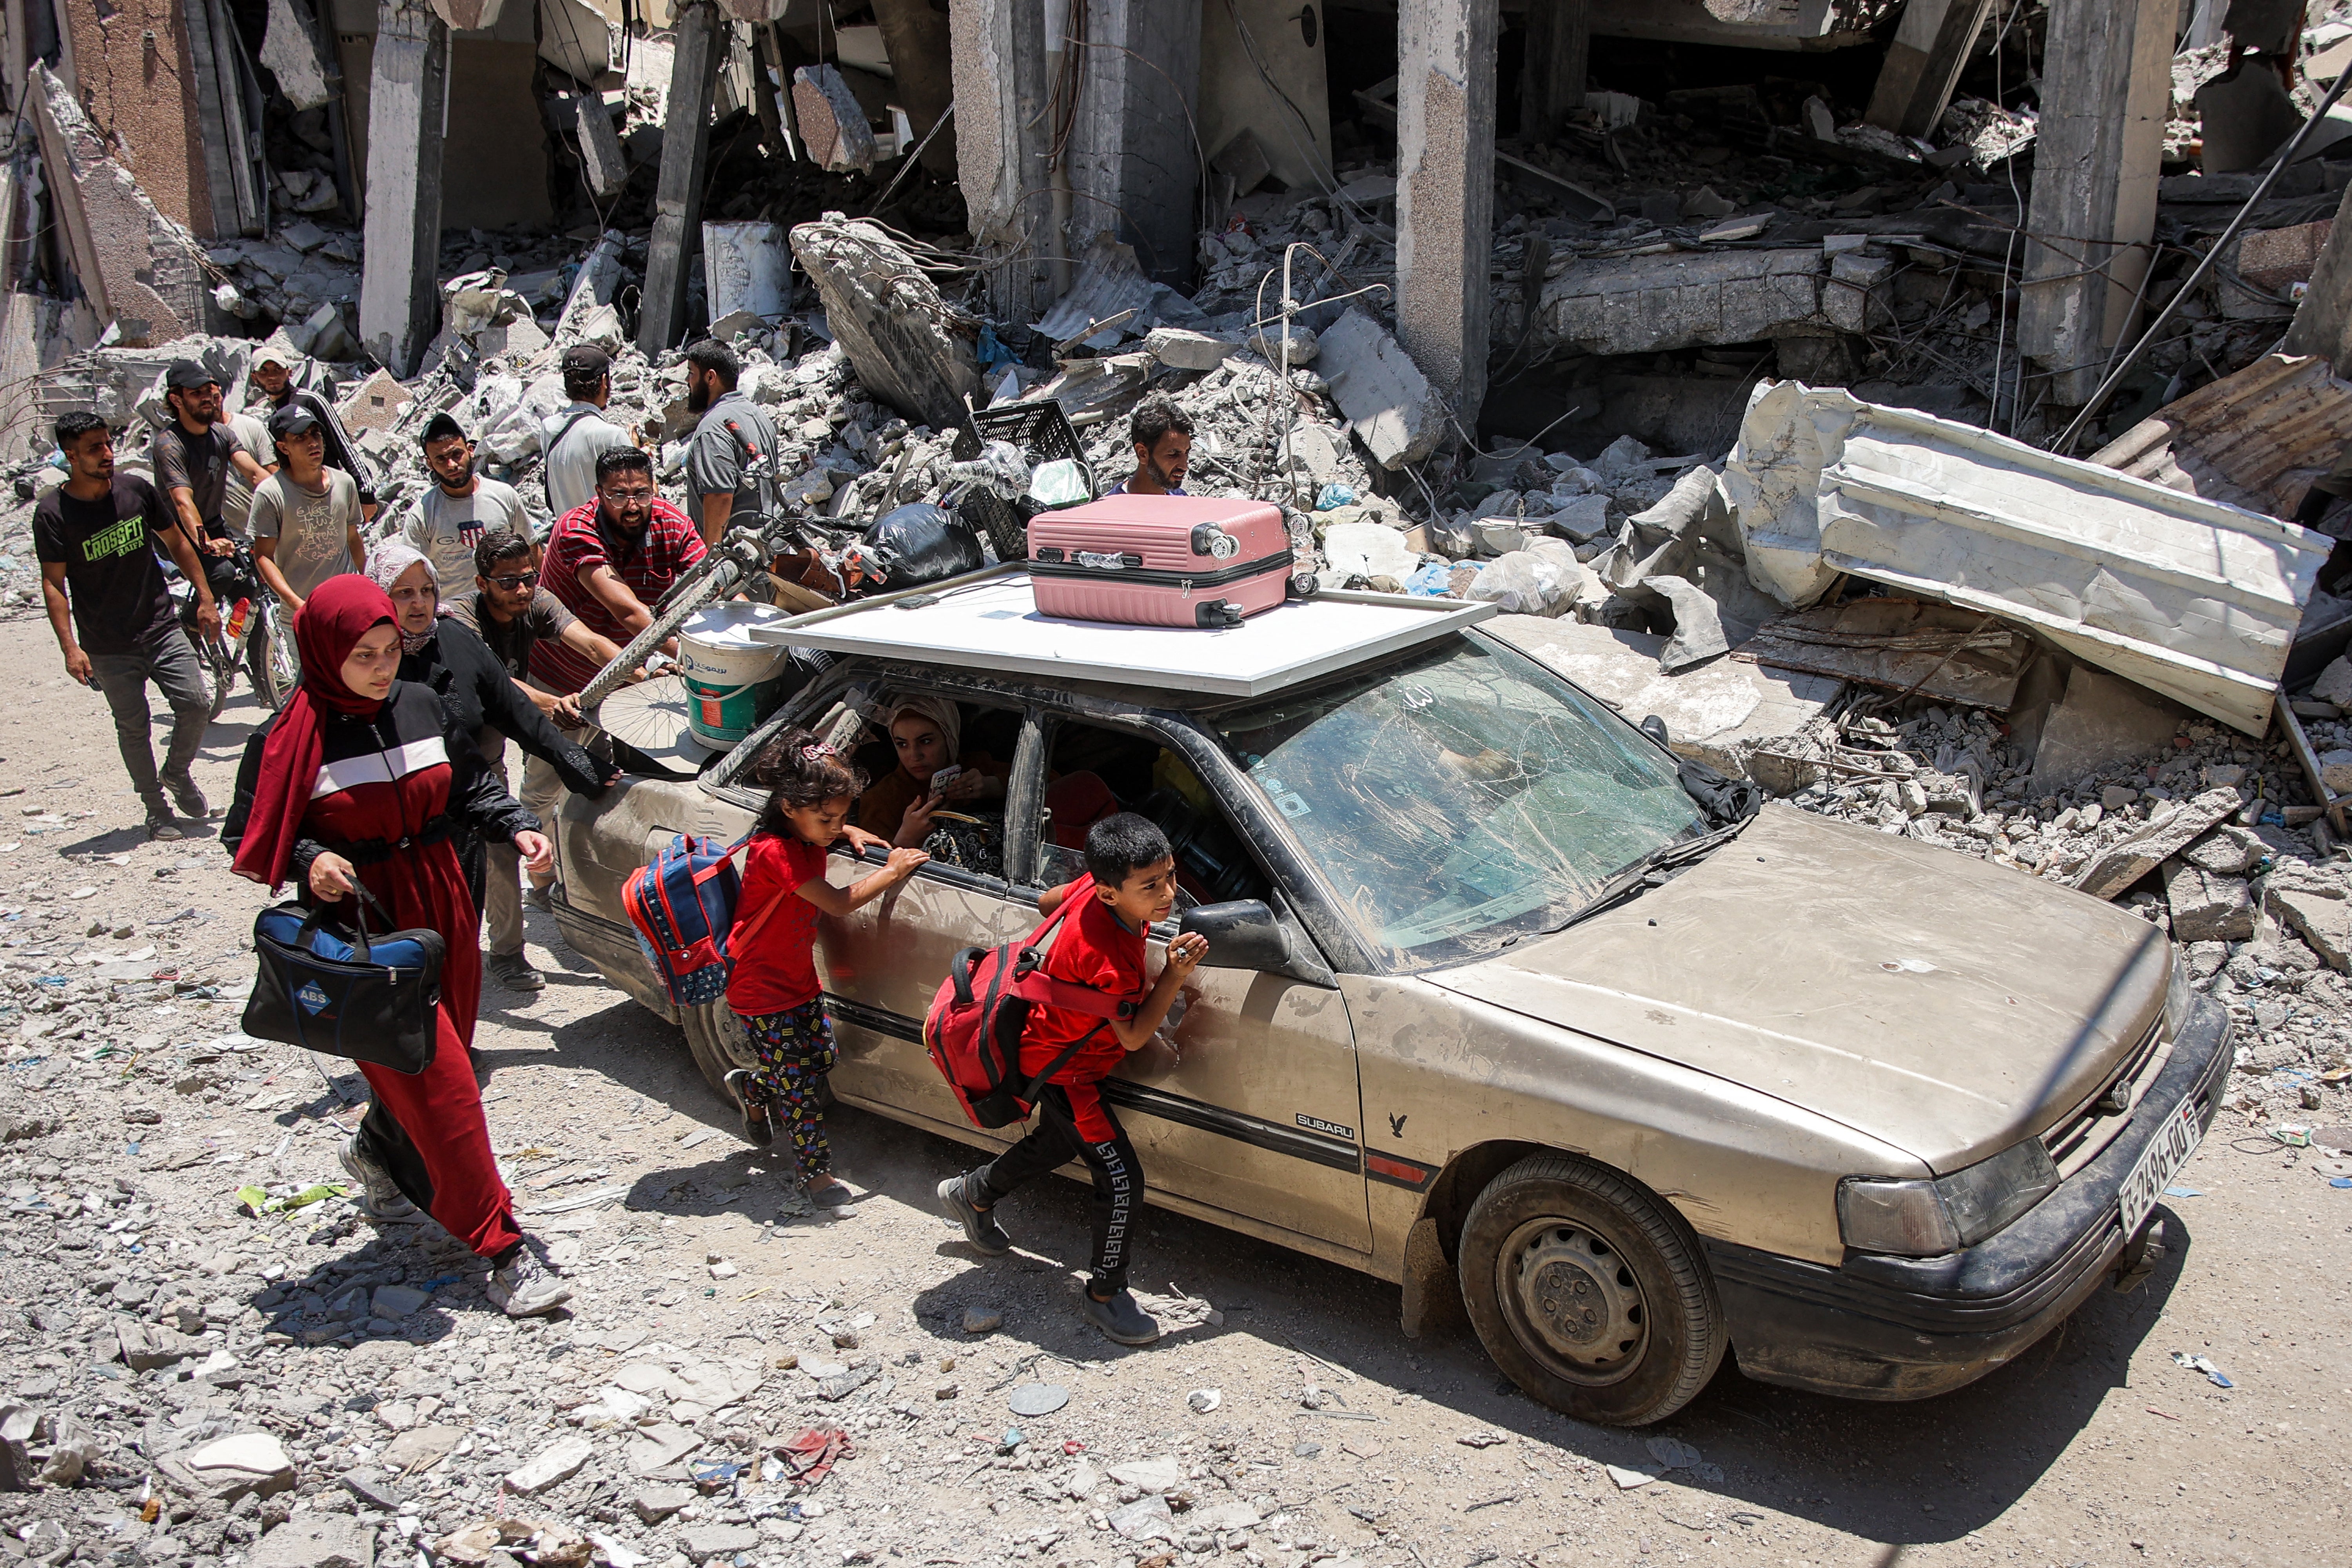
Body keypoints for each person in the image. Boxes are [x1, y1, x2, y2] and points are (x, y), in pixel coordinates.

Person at [221, 576, 570, 1317]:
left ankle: (378, 1153)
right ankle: (504, 1250)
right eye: (365, 656)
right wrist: (306, 860)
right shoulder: (290, 736)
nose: (383, 668)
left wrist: (514, 824)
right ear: (322, 654)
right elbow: (248, 834)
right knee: (447, 1084)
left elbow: (470, 785)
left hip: (446, 908)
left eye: (390, 651)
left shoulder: (418, 704)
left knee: (422, 1070)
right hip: (368, 929)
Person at [935, 813, 1210, 1346]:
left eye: (1171, 876)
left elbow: (1047, 903)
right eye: (1150, 886)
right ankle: (1105, 1295)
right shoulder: (1109, 962)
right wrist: (1175, 975)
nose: (1168, 895)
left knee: (1056, 1144)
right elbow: (1132, 1036)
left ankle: (973, 1195)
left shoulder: (1091, 886)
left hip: (1052, 1053)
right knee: (1122, 1179)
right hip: (1067, 1072)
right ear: (1109, 893)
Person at [369, 541, 615, 992]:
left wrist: (576, 763)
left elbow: (512, 709)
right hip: (399, 809)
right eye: (404, 593)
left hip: (475, 789)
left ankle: (502, 955)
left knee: (494, 867)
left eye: (426, 590)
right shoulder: (365, 657)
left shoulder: (454, 641)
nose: (419, 603)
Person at [723, 730, 927, 1205]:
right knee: (800, 1092)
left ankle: (754, 1088)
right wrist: (892, 870)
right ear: (790, 808)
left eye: (842, 816)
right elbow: (837, 903)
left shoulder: (806, 833)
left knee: (818, 1063)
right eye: (828, 818)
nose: (836, 826)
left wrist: (848, 831)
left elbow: (826, 837)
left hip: (798, 981)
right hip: (761, 987)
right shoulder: (774, 852)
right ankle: (815, 1176)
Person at [523, 447, 705, 904]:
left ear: (655, 489)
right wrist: (688, 654)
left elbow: (705, 583)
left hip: (628, 680)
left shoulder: (673, 525)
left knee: (608, 781)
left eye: (641, 493)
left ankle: (595, 877)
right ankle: (540, 873)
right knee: (545, 783)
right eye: (618, 494)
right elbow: (623, 608)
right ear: (598, 494)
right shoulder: (576, 528)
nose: (631, 505)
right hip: (565, 676)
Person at [36, 413, 221, 840]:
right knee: (133, 726)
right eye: (95, 448)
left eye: (108, 443)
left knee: (195, 703)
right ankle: (156, 808)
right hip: (107, 644)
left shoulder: (136, 490)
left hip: (160, 625)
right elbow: (53, 583)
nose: (107, 453)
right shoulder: (53, 513)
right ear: (71, 455)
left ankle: (176, 773)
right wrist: (70, 647)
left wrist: (206, 597)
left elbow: (176, 541)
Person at [150, 359, 270, 604]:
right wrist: (206, 542)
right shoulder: (169, 445)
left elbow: (256, 474)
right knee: (222, 574)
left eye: (209, 392)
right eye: (196, 394)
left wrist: (295, 501)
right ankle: (192, 626)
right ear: (177, 400)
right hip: (178, 533)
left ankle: (250, 642)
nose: (206, 398)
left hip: (215, 524)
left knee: (250, 591)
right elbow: (183, 502)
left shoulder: (222, 434)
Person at [250, 405, 366, 616]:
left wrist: (367, 582)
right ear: (284, 448)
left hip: (350, 604)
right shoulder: (271, 493)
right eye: (300, 438)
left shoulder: (344, 483)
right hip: (305, 611)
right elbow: (263, 557)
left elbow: (353, 539)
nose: (313, 443)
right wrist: (296, 604)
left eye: (316, 435)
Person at [855, 696, 1009, 848]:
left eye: (926, 741)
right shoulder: (882, 799)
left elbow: (1029, 785)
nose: (915, 756)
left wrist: (992, 787)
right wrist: (907, 838)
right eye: (902, 744)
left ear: (949, 737)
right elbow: (874, 866)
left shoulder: (976, 766)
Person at [251, 339, 378, 519]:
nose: (272, 377)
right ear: (254, 378)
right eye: (264, 371)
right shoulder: (268, 413)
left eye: (278, 370)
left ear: (289, 372)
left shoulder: (310, 401)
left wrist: (366, 493)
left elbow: (342, 444)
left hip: (328, 492)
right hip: (299, 502)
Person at [401, 414, 530, 585]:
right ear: (430, 464)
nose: (452, 465)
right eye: (441, 459)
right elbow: (414, 573)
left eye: (456, 454)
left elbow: (531, 550)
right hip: (454, 610)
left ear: (470, 450)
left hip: (507, 603)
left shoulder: (504, 496)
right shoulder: (422, 514)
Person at [681, 338, 779, 547]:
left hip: (737, 562)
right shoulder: (756, 414)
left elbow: (719, 496)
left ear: (710, 377)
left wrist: (711, 560)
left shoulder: (712, 427)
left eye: (691, 373)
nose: (688, 382)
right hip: (769, 549)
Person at [540, 346, 635, 521]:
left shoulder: (549, 429)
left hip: (567, 541)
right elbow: (637, 503)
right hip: (606, 547)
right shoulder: (612, 436)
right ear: (605, 381)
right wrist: (634, 450)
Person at [1110, 394, 1191, 497]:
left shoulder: (1180, 499)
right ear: (1143, 454)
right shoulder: (1112, 509)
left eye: (1187, 452)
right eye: (1173, 454)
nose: (1184, 467)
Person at [218, 406, 276, 536]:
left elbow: (273, 474)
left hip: (268, 532)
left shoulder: (251, 427)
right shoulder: (186, 442)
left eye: (214, 397)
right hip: (229, 537)